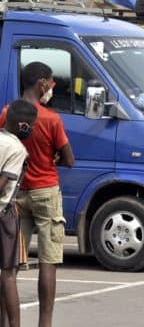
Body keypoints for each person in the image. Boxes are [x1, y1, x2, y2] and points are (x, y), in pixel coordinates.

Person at [0, 62, 75, 327]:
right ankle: (45, 323)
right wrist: (54, 156)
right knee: (48, 261)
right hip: (46, 191)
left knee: (9, 266)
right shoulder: (52, 119)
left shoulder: (8, 113)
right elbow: (69, 159)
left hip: (16, 195)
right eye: (51, 84)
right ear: (42, 83)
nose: (51, 89)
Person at [0, 100, 38, 327]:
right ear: (23, 125)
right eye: (31, 125)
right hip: (4, 213)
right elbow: (4, 183)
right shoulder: (17, 149)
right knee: (9, 274)